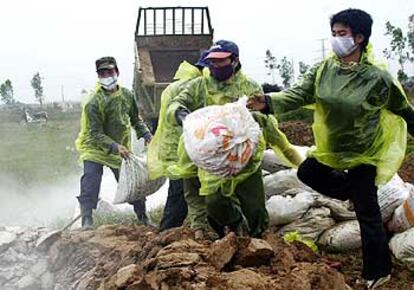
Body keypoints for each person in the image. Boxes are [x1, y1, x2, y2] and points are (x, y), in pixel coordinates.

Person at [248, 9, 414, 289]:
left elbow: (403, 110)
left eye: (343, 34)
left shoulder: (377, 78)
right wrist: (267, 101)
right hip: (332, 150)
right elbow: (298, 94)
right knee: (308, 172)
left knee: (368, 213)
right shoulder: (324, 70)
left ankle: (377, 270)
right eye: (334, 34)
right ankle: (353, 193)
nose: (337, 40)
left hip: (364, 151)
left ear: (359, 38)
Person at [166, 40, 270, 239]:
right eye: (212, 62)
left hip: (243, 153)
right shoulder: (199, 86)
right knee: (214, 201)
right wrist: (181, 114)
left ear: (235, 61)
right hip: (213, 156)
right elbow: (177, 103)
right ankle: (233, 225)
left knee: (254, 204)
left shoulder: (249, 87)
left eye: (221, 61)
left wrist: (243, 120)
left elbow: (264, 116)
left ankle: (261, 239)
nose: (215, 66)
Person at [75, 56, 153, 230]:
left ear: (116, 72)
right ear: (98, 76)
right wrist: (114, 146)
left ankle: (142, 217)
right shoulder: (94, 102)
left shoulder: (126, 95)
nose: (106, 76)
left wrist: (146, 134)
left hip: (121, 148)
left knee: (132, 182)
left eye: (109, 72)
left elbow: (135, 120)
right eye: (102, 73)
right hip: (95, 148)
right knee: (90, 180)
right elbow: (95, 133)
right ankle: (86, 220)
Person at [147, 51, 208, 231]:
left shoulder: (178, 84)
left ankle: (173, 228)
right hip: (181, 148)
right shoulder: (194, 86)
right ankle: (167, 232)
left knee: (181, 191)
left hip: (175, 145)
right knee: (179, 193)